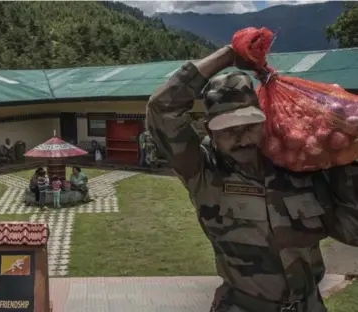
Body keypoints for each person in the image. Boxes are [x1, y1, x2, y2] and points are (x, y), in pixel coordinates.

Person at [146, 45, 358, 312]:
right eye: (228, 130)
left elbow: (352, 232)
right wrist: (229, 55)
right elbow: (161, 109)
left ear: (264, 122)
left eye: (249, 125)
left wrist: (345, 161)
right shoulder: (203, 172)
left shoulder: (299, 167)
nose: (241, 137)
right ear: (210, 131)